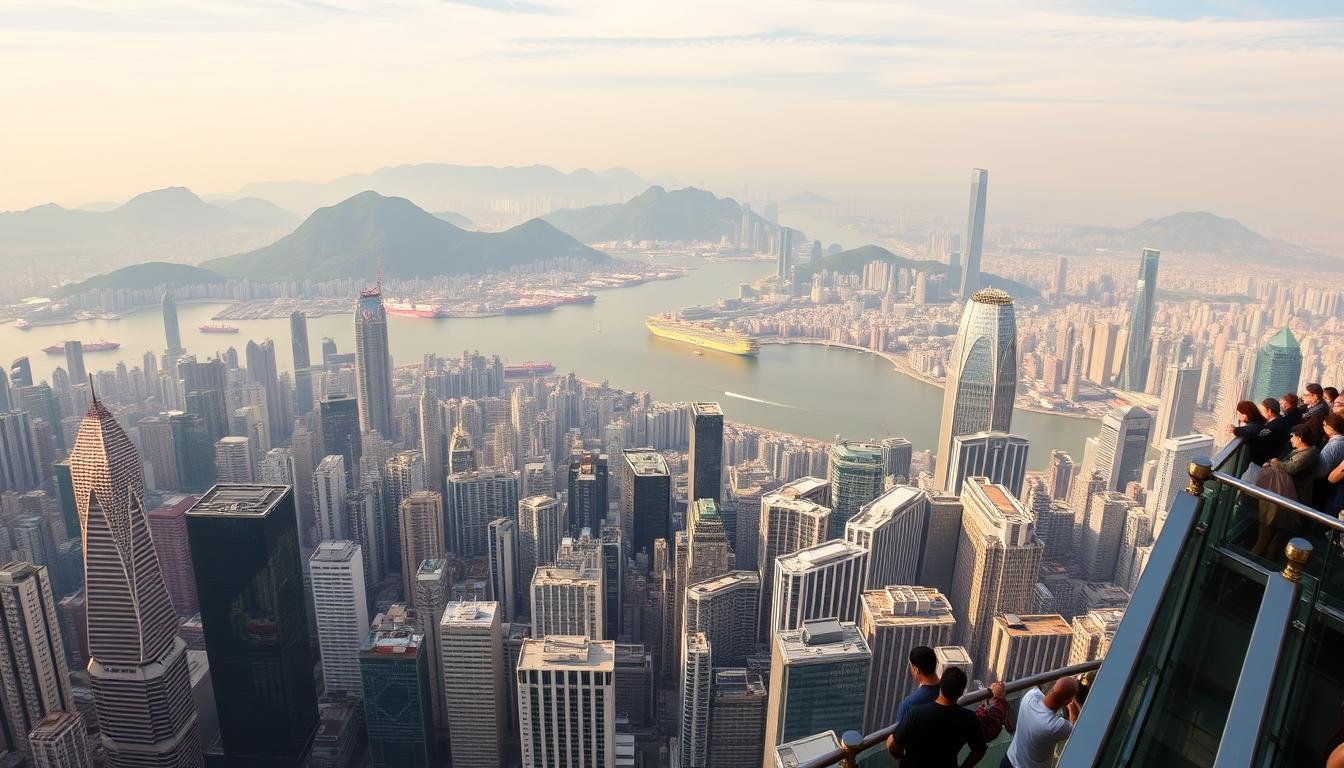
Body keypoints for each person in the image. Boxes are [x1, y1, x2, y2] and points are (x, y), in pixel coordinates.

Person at [887, 666, 987, 768]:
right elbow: (980, 750)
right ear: (961, 692)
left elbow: (893, 747)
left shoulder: (916, 713)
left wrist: (903, 758)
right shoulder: (969, 719)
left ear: (940, 685)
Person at [1003, 677, 1080, 768]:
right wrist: (1072, 709)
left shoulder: (1030, 696)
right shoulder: (1054, 726)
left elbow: (1039, 691)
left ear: (1052, 688)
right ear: (1067, 701)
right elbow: (1077, 728)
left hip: (1008, 761)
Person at [896, 646, 942, 725]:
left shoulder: (908, 704)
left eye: (910, 665)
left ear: (916, 670)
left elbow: (899, 731)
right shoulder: (949, 690)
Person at [1229, 399, 1269, 480]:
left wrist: (1234, 430)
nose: (1238, 416)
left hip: (1257, 464)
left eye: (1239, 414)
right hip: (1262, 461)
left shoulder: (1254, 427)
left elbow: (1249, 431)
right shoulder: (1262, 422)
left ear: (1245, 414)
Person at [1316, 413, 1344, 513]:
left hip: (1328, 486)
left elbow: (1321, 471)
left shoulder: (1331, 446)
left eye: (1324, 425)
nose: (1323, 427)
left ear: (1331, 428)